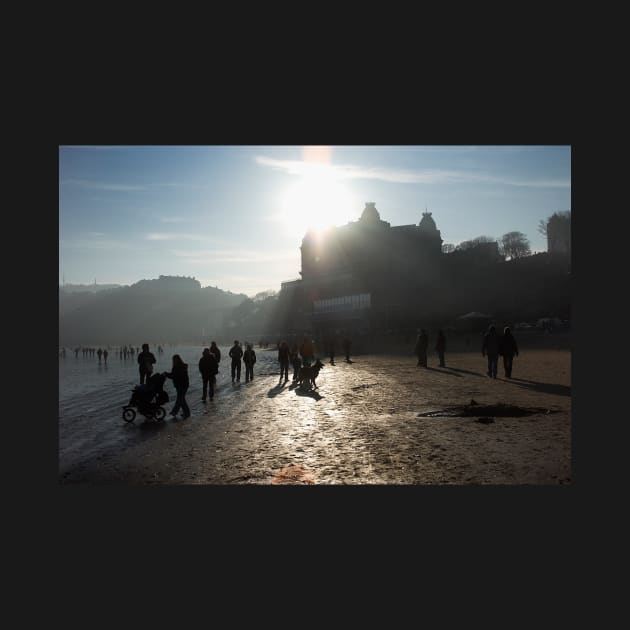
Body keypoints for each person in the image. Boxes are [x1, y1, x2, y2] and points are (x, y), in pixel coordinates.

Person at [165, 354, 190, 418]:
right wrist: (167, 374)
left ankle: (175, 412)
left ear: (178, 360)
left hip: (182, 385)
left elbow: (175, 376)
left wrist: (167, 374)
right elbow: (173, 375)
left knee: (180, 399)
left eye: (175, 360)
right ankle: (185, 413)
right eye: (173, 360)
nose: (174, 361)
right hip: (180, 385)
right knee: (181, 399)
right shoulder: (178, 367)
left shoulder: (180, 367)